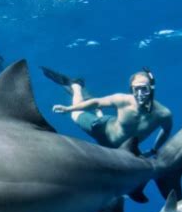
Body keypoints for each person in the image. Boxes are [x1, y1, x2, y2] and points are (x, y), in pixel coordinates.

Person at [42, 66, 172, 154]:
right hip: (101, 129)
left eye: (143, 88)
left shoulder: (163, 114)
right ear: (131, 90)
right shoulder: (122, 99)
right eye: (135, 89)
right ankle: (76, 86)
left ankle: (99, 112)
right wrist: (68, 108)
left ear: (151, 88)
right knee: (76, 114)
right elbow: (96, 102)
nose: (139, 93)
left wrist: (155, 149)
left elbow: (166, 131)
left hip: (126, 150)